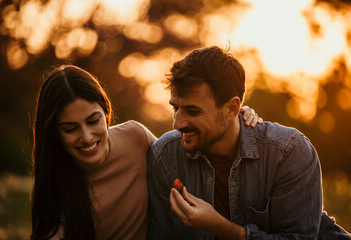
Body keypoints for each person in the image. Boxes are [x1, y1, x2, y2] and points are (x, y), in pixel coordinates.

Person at [30, 64, 260, 240]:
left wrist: (233, 117)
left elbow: (184, 151)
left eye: (93, 120)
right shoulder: (54, 182)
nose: (87, 137)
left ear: (106, 111)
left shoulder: (135, 137)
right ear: (54, 133)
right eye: (70, 129)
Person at [147, 46, 351, 240]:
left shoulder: (289, 152)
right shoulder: (165, 156)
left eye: (193, 111)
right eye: (175, 108)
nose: (177, 123)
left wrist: (220, 227)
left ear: (232, 108)